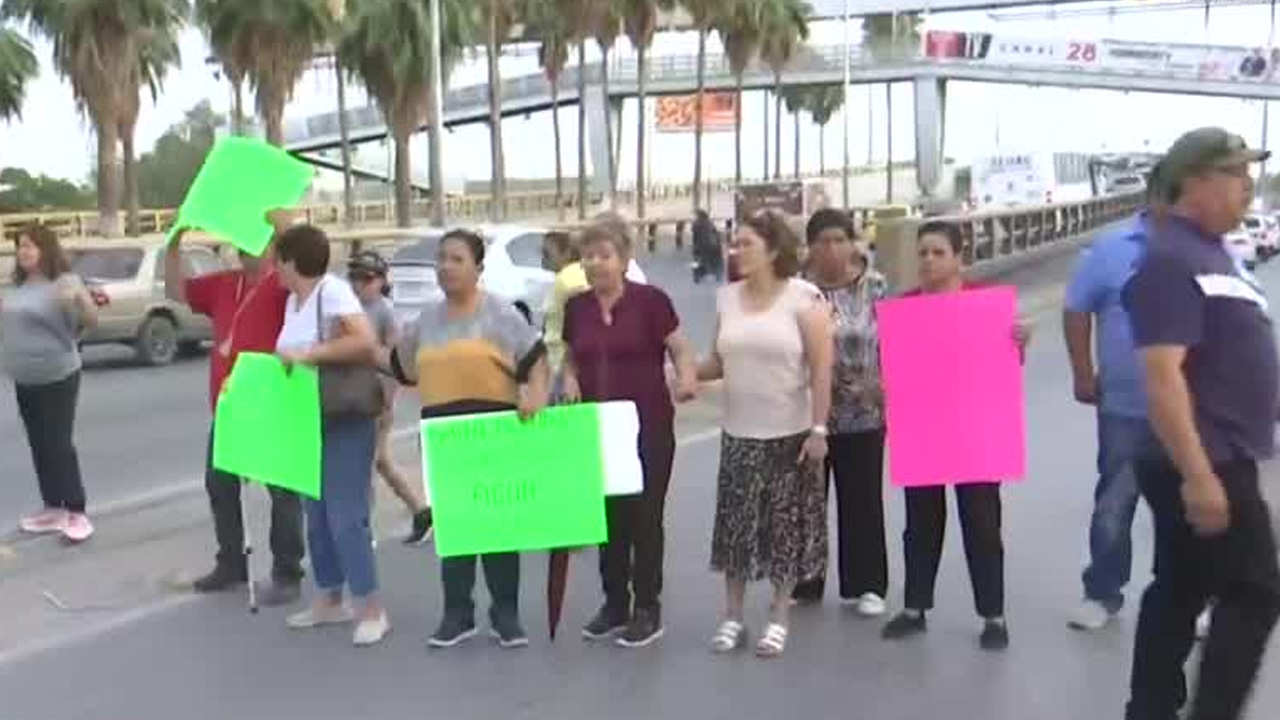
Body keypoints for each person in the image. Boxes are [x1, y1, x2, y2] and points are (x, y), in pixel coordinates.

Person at [1122, 127, 1280, 720]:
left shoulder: (1218, 257)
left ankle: (1151, 709)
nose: (1248, 187)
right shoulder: (1170, 260)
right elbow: (1163, 376)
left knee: (1181, 587)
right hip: (1207, 456)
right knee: (1255, 590)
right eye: (1235, 174)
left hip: (1221, 450)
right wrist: (1198, 475)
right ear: (1194, 182)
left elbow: (1233, 358)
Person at [388, 229, 550, 650]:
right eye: (442, 258)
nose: (446, 266)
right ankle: (457, 615)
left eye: (457, 259)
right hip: (444, 437)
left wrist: (535, 394)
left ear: (478, 268)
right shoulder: (424, 321)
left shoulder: (500, 315)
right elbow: (401, 367)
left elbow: (536, 360)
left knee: (497, 529)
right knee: (455, 530)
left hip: (492, 433)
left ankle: (506, 614)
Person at [880, 220, 1029, 652]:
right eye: (923, 253)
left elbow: (1003, 366)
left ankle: (993, 615)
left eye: (938, 252)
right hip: (922, 428)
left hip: (975, 429)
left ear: (959, 258)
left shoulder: (984, 305)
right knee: (920, 524)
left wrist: (1019, 341)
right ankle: (914, 608)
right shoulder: (905, 309)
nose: (928, 260)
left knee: (982, 523)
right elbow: (891, 370)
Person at [700, 210, 834, 658]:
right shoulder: (726, 299)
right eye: (734, 243)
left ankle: (779, 616)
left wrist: (819, 429)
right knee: (735, 525)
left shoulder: (804, 298)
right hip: (739, 431)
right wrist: (684, 373)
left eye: (747, 244)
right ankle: (733, 616)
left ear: (773, 250)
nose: (736, 251)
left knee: (783, 529)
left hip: (789, 432)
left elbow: (821, 370)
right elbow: (717, 362)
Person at [561, 222, 699, 648]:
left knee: (644, 516)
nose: (595, 263)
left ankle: (647, 607)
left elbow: (680, 348)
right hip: (597, 426)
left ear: (623, 260)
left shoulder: (651, 301)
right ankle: (615, 603)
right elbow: (571, 355)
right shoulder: (577, 307)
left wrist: (687, 377)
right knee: (608, 518)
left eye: (604, 255)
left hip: (647, 424)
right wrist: (568, 378)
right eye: (588, 255)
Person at [167, 215, 305, 604]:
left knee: (282, 490)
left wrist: (282, 227)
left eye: (257, 240)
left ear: (273, 248)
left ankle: (287, 570)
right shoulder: (225, 284)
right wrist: (175, 243)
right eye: (242, 240)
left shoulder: (283, 286)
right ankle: (231, 562)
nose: (247, 247)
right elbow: (176, 291)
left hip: (271, 401)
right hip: (230, 405)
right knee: (220, 483)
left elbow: (309, 270)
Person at [272, 224, 388, 647]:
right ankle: (329, 597)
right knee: (317, 515)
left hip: (345, 416)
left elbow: (365, 341)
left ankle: (371, 607)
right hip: (309, 420)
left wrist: (311, 353)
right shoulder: (293, 302)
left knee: (346, 516)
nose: (274, 266)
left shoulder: (332, 292)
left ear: (291, 261)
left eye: (278, 259)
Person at [1062, 172, 1160, 631]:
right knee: (1114, 504)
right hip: (1125, 408)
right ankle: (1102, 591)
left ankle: (1193, 595)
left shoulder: (1209, 248)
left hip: (1196, 411)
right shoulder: (1113, 247)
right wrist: (1083, 372)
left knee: (1188, 509)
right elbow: (1077, 307)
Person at [791, 209, 890, 616]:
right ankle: (806, 580)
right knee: (806, 501)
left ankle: (867, 584)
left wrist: (887, 385)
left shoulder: (876, 287)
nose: (831, 249)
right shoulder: (795, 290)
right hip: (804, 412)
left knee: (862, 500)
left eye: (839, 240)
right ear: (809, 247)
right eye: (822, 241)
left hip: (862, 411)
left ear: (853, 243)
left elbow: (896, 340)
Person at [2, 224, 98, 543]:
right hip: (25, 378)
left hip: (57, 374)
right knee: (39, 444)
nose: (23, 252)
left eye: (30, 246)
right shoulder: (18, 285)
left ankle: (77, 512)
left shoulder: (65, 282)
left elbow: (91, 321)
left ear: (46, 249)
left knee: (58, 444)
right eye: (20, 246)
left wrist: (78, 301)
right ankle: (54, 507)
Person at [346, 250, 433, 546]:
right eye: (354, 277)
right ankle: (421, 512)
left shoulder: (385, 311)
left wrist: (387, 397)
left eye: (367, 278)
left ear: (381, 281)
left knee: (365, 465)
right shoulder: (350, 307)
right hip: (354, 395)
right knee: (381, 461)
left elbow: (396, 361)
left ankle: (363, 530)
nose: (359, 284)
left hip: (376, 398)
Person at [692, 209, 724, 284]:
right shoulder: (710, 223)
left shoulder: (696, 223)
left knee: (697, 260)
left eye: (696, 215)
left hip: (702, 245)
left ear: (699, 216)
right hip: (713, 246)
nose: (695, 217)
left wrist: (695, 246)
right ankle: (718, 274)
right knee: (716, 260)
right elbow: (716, 234)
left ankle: (697, 276)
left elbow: (695, 236)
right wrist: (718, 244)